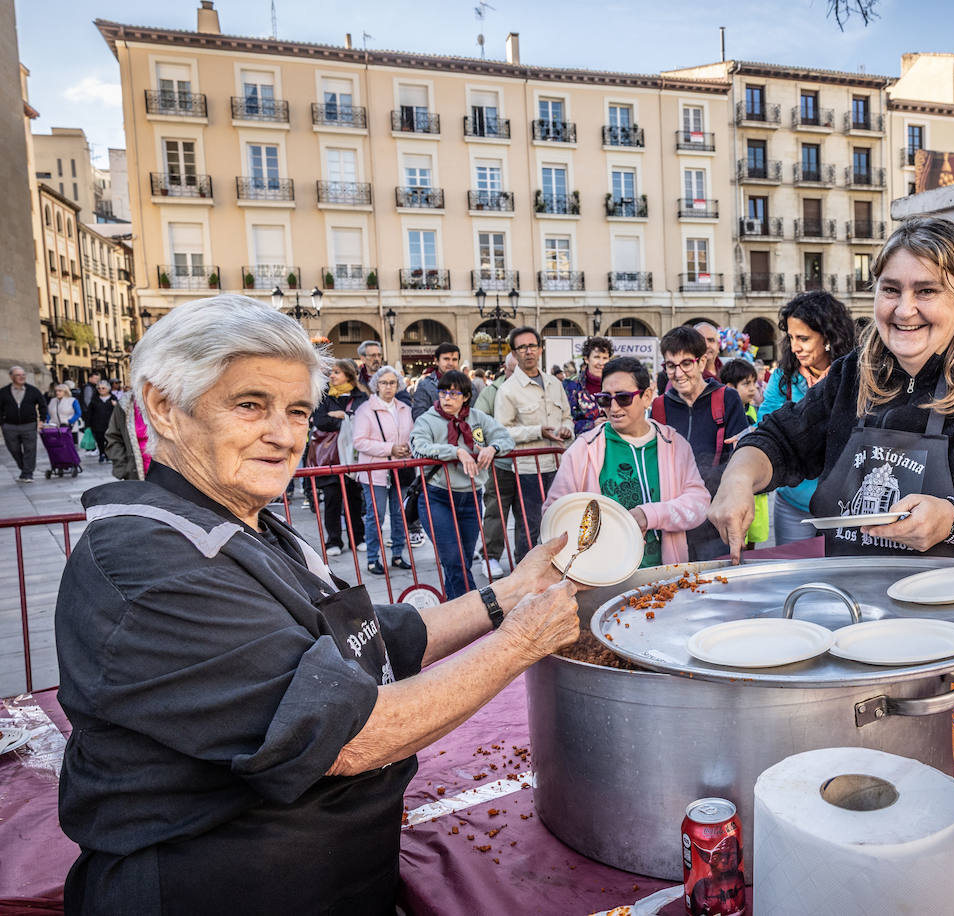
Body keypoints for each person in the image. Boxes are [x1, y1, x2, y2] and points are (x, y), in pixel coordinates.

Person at [54, 293, 580, 914]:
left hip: (334, 876)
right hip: (223, 889)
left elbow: (371, 640)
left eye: (299, 411)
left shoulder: (241, 521)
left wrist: (510, 593)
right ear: (164, 408)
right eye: (250, 405)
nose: (283, 435)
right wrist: (520, 642)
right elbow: (346, 738)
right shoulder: (148, 561)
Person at [709, 217, 954, 717]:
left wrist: (953, 519)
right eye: (890, 290)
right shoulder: (857, 371)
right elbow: (778, 439)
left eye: (927, 291)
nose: (905, 309)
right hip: (860, 643)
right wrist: (740, 477)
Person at [544, 356, 710, 566]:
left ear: (647, 396)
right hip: (603, 576)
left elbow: (699, 503)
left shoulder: (674, 444)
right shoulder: (583, 449)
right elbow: (554, 513)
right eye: (605, 399)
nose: (613, 408)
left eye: (623, 398)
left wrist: (648, 515)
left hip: (665, 572)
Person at [760, 291, 859, 545]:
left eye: (803, 338)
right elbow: (768, 423)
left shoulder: (856, 375)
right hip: (793, 501)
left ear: (828, 337)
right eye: (791, 337)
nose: (794, 347)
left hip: (844, 504)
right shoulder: (783, 377)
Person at [410, 370, 513, 598]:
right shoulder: (427, 419)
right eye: (443, 392)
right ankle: (478, 610)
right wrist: (456, 451)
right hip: (438, 496)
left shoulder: (477, 419)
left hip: (471, 497)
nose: (447, 398)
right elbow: (418, 446)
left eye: (454, 393)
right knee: (454, 561)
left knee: (461, 563)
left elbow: (505, 438)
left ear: (465, 396)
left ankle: (455, 613)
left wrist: (492, 447)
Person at [654, 326, 750, 561]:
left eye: (686, 363)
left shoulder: (727, 398)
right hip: (675, 517)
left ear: (701, 362)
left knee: (718, 586)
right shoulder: (659, 406)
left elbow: (740, 457)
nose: (678, 373)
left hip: (714, 518)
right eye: (670, 366)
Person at [493, 327, 573, 563]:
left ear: (540, 349)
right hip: (530, 469)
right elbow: (502, 431)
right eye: (522, 347)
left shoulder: (554, 383)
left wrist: (567, 427)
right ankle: (524, 572)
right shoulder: (508, 390)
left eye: (532, 346)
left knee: (560, 520)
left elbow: (567, 416)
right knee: (531, 525)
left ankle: (559, 569)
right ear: (514, 353)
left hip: (559, 465)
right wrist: (537, 431)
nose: (528, 351)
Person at [352, 366, 414, 576]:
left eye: (392, 383)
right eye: (384, 383)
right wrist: (390, 449)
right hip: (375, 472)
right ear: (376, 385)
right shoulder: (365, 410)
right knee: (375, 516)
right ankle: (372, 559)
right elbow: (359, 442)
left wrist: (408, 448)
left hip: (400, 470)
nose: (388, 387)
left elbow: (412, 435)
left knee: (399, 515)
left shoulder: (405, 408)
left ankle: (397, 554)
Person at [310, 358, 368, 556]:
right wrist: (344, 419)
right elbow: (320, 421)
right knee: (332, 499)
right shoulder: (324, 396)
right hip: (331, 457)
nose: (332, 375)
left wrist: (342, 416)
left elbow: (363, 420)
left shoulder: (361, 396)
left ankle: (357, 538)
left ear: (348, 374)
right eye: (331, 372)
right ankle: (333, 540)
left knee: (354, 500)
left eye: (336, 372)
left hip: (352, 457)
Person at [477, 351, 520, 575]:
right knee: (496, 510)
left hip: (529, 463)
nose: (517, 373)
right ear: (506, 368)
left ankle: (525, 557)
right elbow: (477, 424)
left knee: (527, 514)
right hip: (501, 463)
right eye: (514, 369)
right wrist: (488, 446)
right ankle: (490, 556)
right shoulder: (491, 391)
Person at [719, 358, 769, 549]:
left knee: (752, 543)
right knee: (736, 540)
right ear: (729, 387)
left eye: (754, 383)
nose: (752, 389)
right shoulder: (725, 416)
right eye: (746, 384)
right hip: (736, 490)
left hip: (757, 492)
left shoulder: (755, 412)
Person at [2, 366, 48, 481]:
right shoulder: (3, 392)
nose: (22, 377)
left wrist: (41, 420)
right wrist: (2, 422)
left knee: (30, 450)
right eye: (18, 375)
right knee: (14, 449)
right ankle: (24, 468)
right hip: (9, 426)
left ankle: (28, 473)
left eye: (23, 375)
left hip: (29, 425)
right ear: (11, 377)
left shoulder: (33, 390)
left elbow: (43, 405)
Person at [565, 336, 615, 435]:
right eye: (596, 357)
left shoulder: (616, 383)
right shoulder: (571, 385)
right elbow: (565, 420)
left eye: (605, 358)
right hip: (582, 444)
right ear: (586, 359)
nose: (601, 363)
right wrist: (591, 425)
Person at [105, 389, 152, 481]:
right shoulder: (126, 403)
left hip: (173, 476)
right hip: (137, 475)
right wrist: (123, 468)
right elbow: (114, 437)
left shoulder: (174, 398)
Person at [411, 342, 462, 421]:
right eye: (446, 359)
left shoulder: (466, 384)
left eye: (454, 359)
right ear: (436, 361)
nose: (451, 363)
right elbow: (419, 417)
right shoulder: (425, 385)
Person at [86, 381, 117, 464]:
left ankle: (108, 455)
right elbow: (89, 413)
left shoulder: (113, 399)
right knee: (100, 440)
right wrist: (87, 425)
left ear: (108, 389)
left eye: (103, 388)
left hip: (110, 424)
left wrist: (116, 406)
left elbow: (119, 411)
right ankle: (101, 454)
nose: (101, 390)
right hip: (97, 424)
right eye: (99, 388)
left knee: (109, 440)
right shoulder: (94, 400)